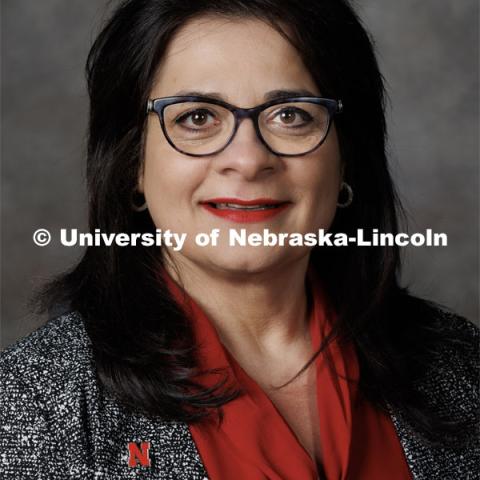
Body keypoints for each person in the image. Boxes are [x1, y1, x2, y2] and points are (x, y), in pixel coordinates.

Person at [1, 0, 478, 479]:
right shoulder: (38, 403)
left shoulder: (461, 367)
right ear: (133, 165)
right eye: (197, 117)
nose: (248, 160)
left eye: (291, 115)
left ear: (346, 156)